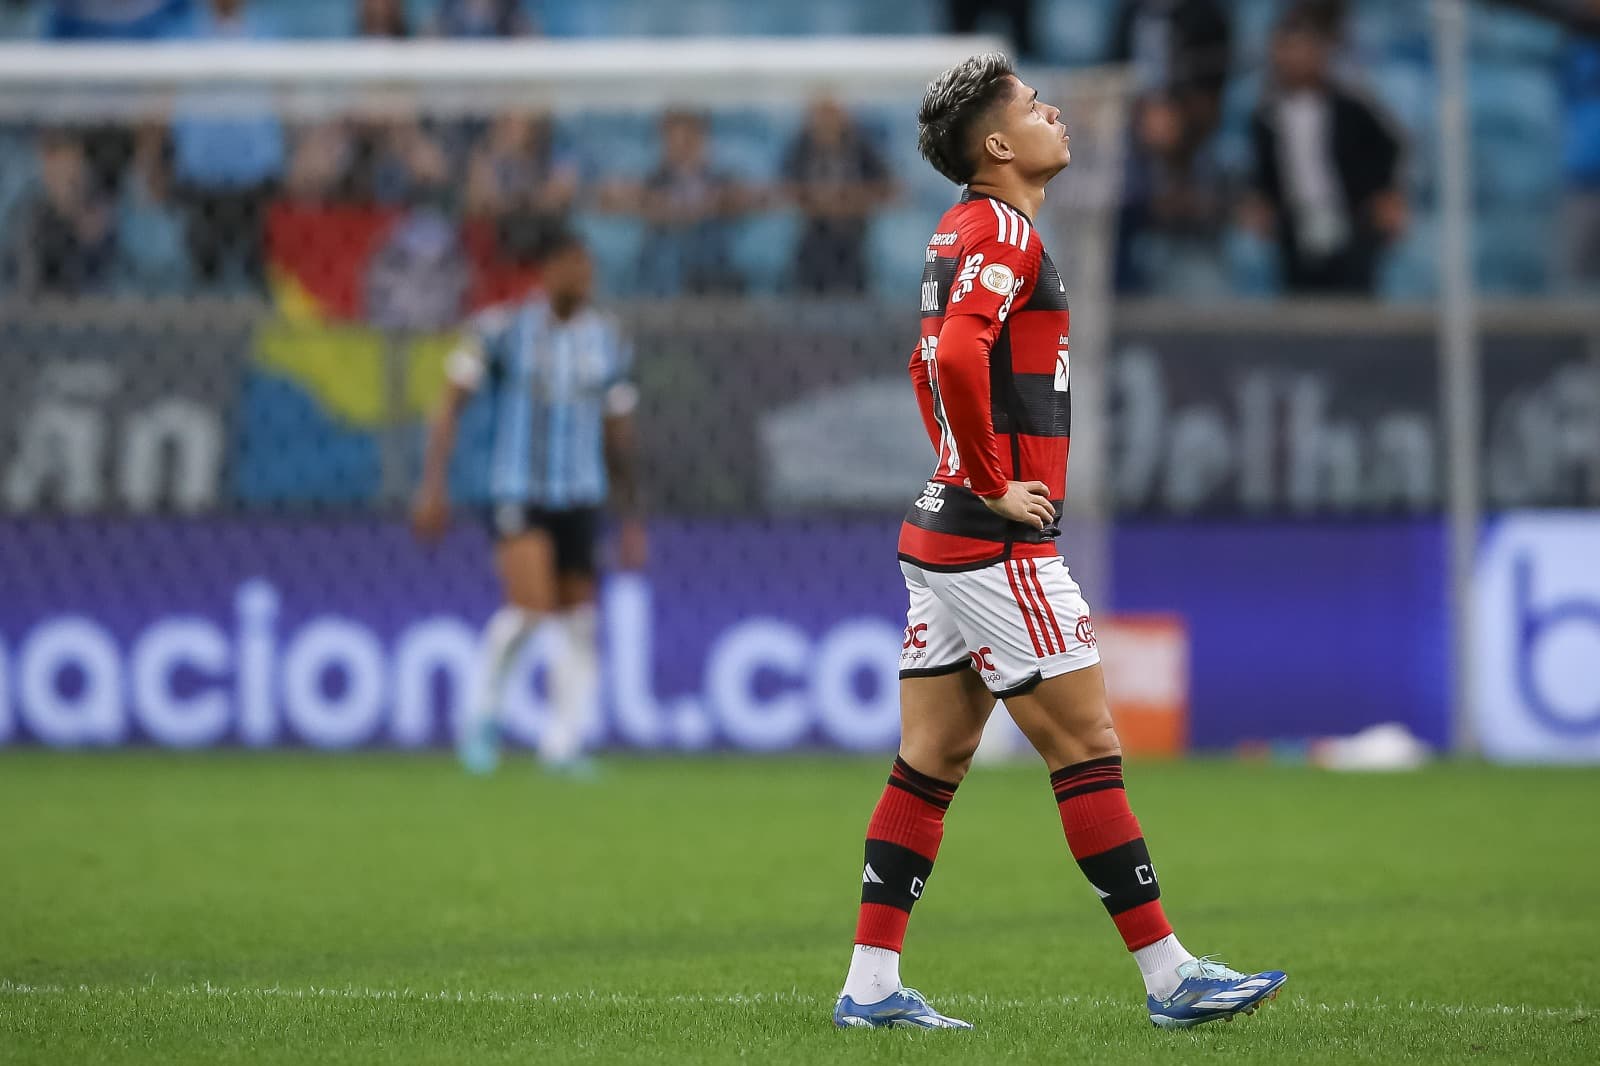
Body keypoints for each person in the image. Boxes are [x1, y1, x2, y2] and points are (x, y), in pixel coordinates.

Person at [831, 53, 1286, 1031]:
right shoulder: (1000, 228)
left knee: (932, 760)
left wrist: (957, 463)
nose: (1054, 115)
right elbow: (952, 354)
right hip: (994, 548)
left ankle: (869, 986)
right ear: (996, 144)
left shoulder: (957, 229)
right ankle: (1171, 977)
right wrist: (993, 481)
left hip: (939, 537)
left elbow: (925, 359)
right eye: (1035, 107)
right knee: (1087, 745)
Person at [412, 228, 647, 775]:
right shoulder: (502, 331)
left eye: (587, 267)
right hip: (518, 489)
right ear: (546, 272)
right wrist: (432, 485)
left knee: (580, 621)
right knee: (531, 608)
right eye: (571, 266)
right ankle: (483, 719)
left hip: (582, 495)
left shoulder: (608, 339)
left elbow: (619, 433)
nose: (582, 278)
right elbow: (449, 406)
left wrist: (632, 517)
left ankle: (562, 744)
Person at [1241, 7, 1405, 295]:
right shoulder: (1266, 116)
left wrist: (1387, 192)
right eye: (1284, 48)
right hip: (1296, 226)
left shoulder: (1351, 108)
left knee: (1354, 296)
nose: (1291, 58)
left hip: (1350, 220)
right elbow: (1263, 172)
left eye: (1300, 48)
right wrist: (1262, 201)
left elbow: (1389, 148)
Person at [782, 98, 895, 295]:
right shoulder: (800, 148)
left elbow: (888, 187)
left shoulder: (861, 147)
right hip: (813, 227)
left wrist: (850, 199)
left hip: (853, 227)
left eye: (831, 115)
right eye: (821, 116)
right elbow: (784, 188)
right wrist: (816, 201)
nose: (826, 123)